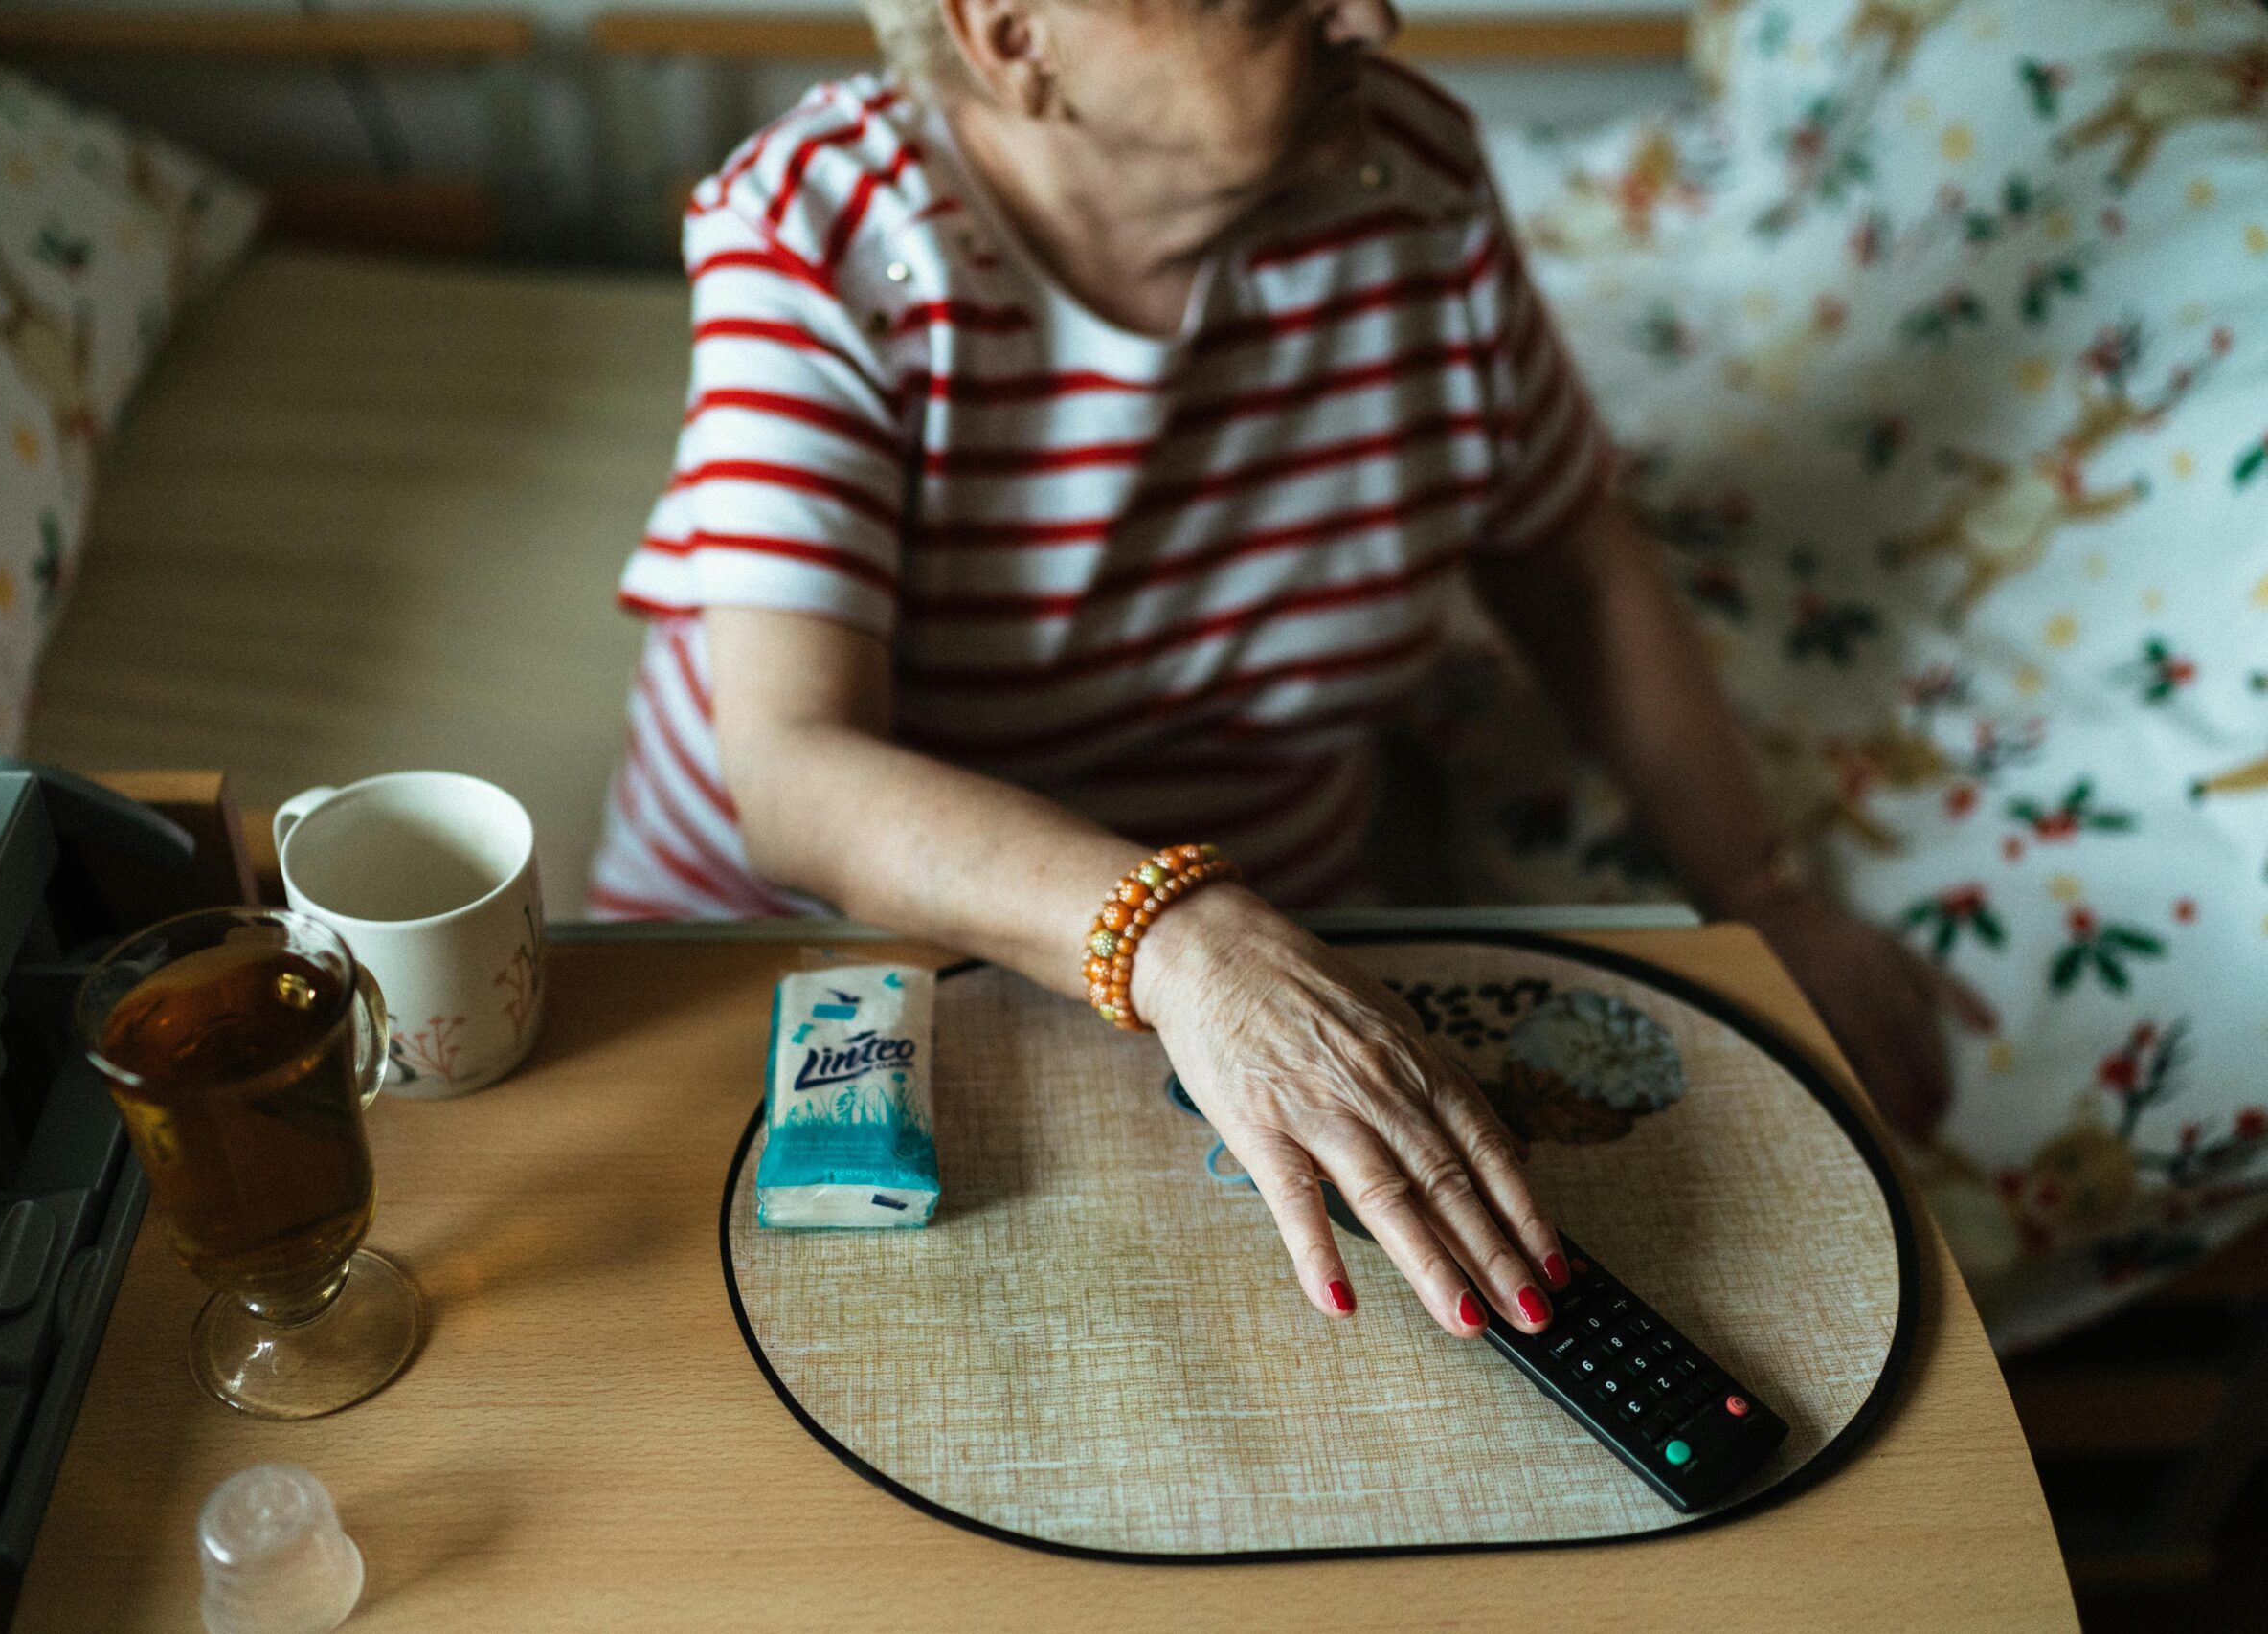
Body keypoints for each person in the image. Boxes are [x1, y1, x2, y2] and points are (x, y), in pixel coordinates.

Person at [592, 0, 1988, 1338]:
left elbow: (1567, 560)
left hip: (1271, 963)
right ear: (1014, 35)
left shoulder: (1412, 179)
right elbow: (795, 774)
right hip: (830, 974)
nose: (1371, 16)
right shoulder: (820, 232)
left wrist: (1759, 895)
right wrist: (1187, 944)